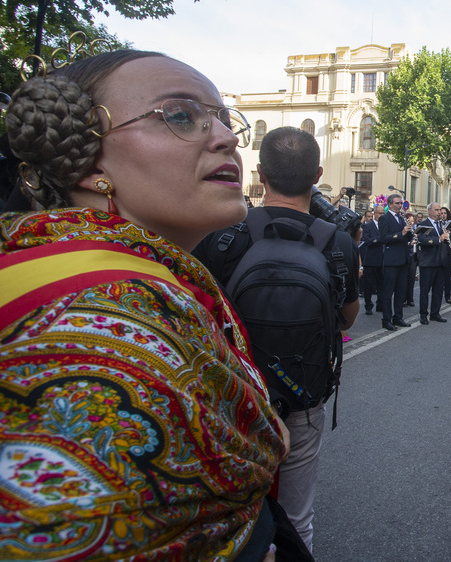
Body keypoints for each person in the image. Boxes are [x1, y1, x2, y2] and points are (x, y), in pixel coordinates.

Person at [0, 50, 291, 560]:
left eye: (225, 119)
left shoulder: (140, 280)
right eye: (180, 116)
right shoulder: (95, 315)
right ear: (87, 161)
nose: (225, 138)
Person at [195, 126, 359, 552]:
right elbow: (346, 316)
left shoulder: (223, 234)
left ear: (261, 174)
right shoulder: (338, 241)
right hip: (304, 394)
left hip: (232, 397)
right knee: (298, 514)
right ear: (318, 174)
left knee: (229, 510)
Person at [378, 194, 413, 331]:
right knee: (388, 291)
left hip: (403, 259)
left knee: (401, 291)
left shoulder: (401, 218)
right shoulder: (384, 218)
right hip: (391, 260)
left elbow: (407, 237)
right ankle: (386, 319)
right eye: (397, 203)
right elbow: (384, 238)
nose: (400, 206)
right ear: (390, 204)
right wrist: (401, 234)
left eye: (401, 203)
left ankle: (398, 317)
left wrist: (409, 230)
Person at [416, 202, 451, 324]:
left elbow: (448, 241)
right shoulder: (423, 224)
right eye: (436, 210)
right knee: (425, 290)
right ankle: (423, 314)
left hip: (441, 261)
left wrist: (448, 236)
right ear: (429, 211)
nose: (439, 213)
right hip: (428, 262)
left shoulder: (442, 224)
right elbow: (423, 240)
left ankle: (435, 313)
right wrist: (438, 239)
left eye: (440, 210)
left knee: (438, 290)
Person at [360, 209, 384, 315]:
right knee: (368, 285)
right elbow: (366, 241)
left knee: (381, 284)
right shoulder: (367, 226)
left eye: (383, 213)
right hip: (371, 260)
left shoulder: (385, 226)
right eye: (379, 213)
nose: (381, 215)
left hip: (383, 260)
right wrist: (379, 238)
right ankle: (368, 305)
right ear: (375, 214)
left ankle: (380, 304)